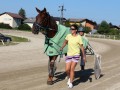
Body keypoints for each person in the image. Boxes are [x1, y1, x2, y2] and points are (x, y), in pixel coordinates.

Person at [60, 24, 86, 88]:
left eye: (73, 29)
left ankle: (71, 83)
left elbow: (82, 47)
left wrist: (84, 56)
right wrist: (62, 47)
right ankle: (70, 77)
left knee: (72, 69)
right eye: (70, 29)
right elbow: (65, 42)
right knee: (67, 69)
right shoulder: (68, 36)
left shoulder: (79, 37)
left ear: (76, 30)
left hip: (76, 54)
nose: (71, 30)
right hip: (69, 54)